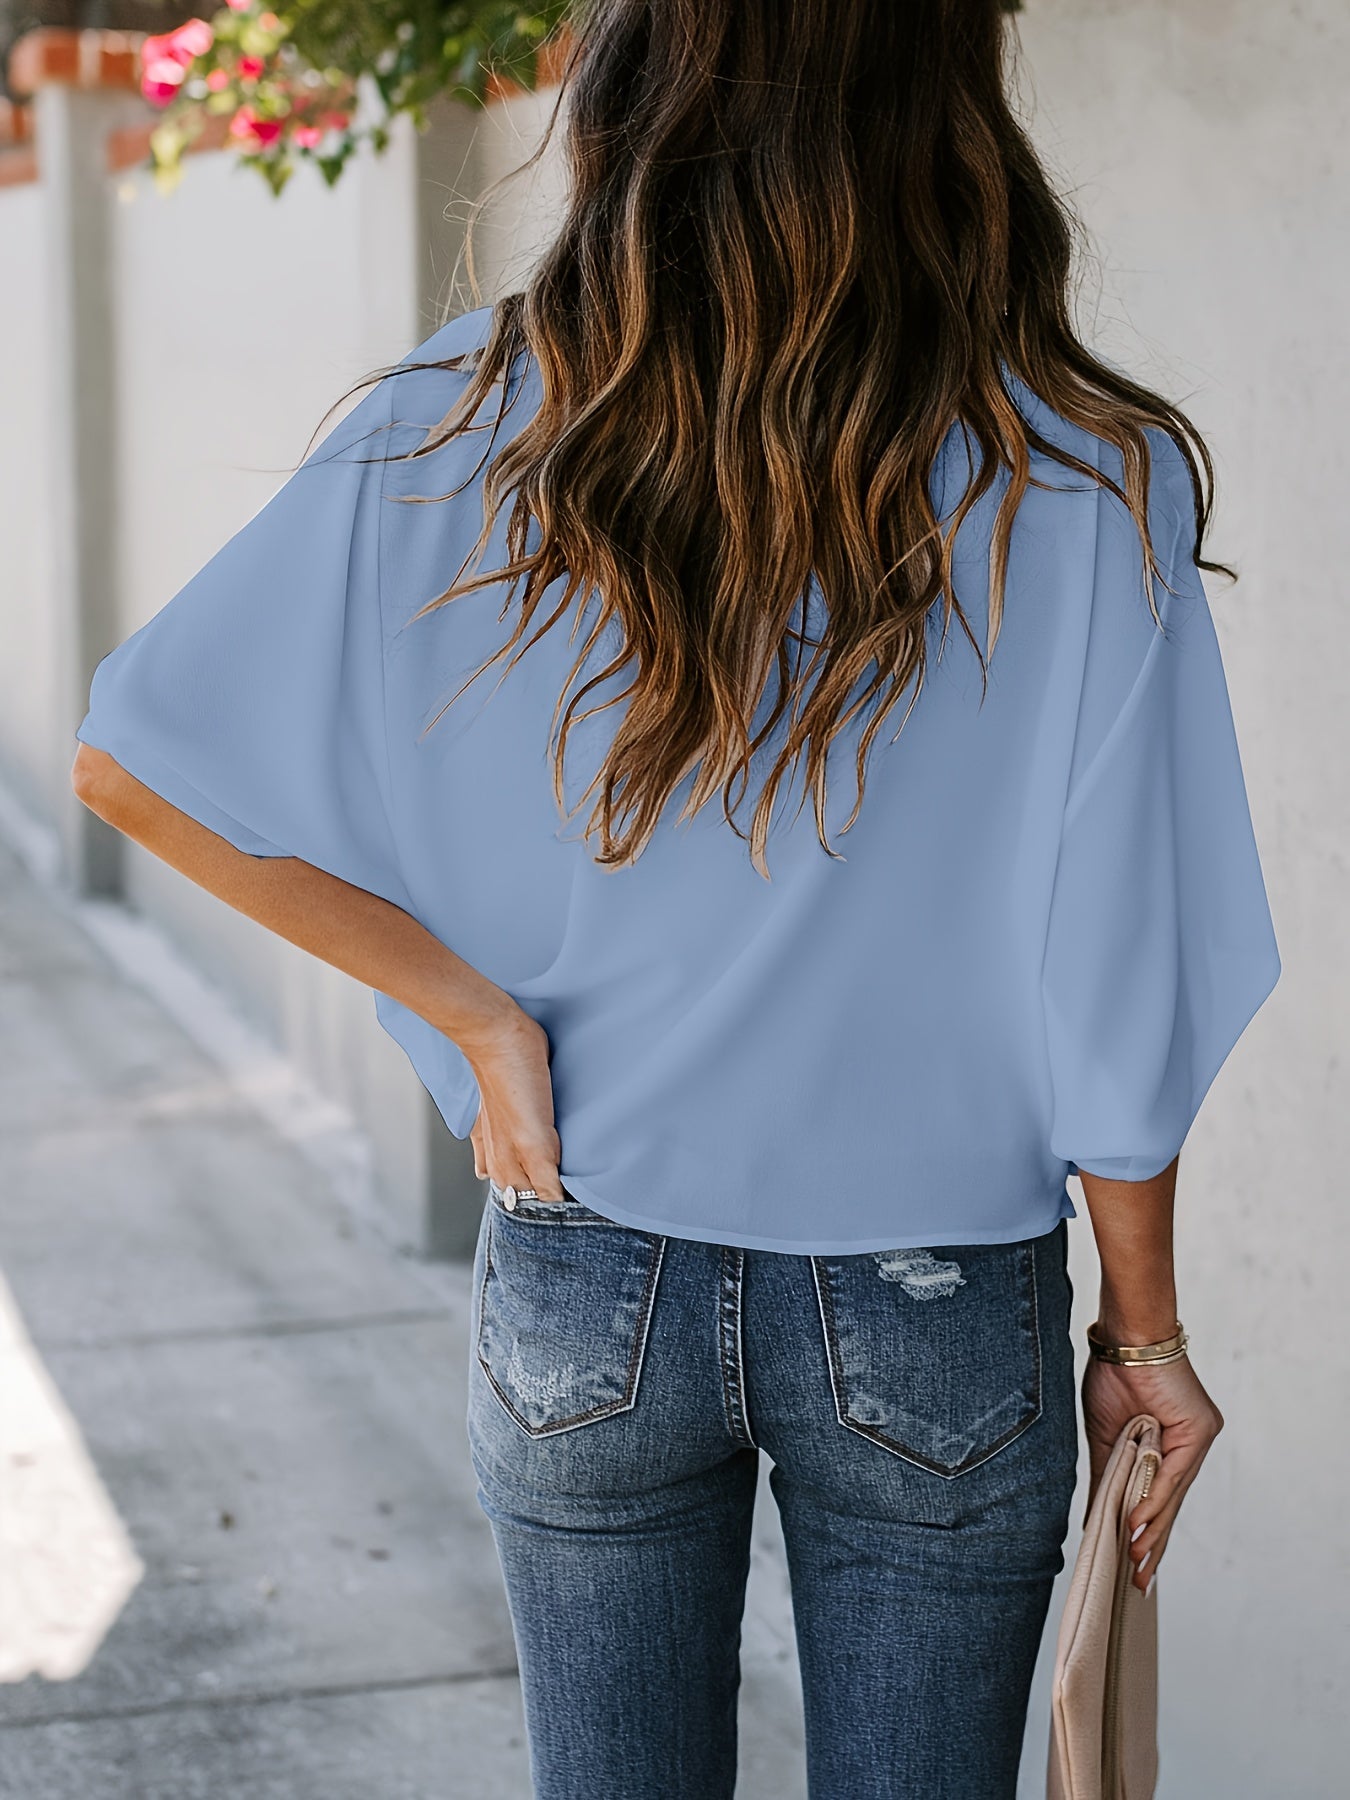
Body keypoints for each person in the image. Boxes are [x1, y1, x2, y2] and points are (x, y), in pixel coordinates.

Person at [70, 1, 1281, 1794]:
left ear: (638, 81)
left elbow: (134, 760)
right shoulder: (1089, 475)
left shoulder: (463, 418)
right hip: (937, 1294)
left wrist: (479, 1023)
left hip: (584, 1252)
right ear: (948, 92)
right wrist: (1144, 1333)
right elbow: (1120, 975)